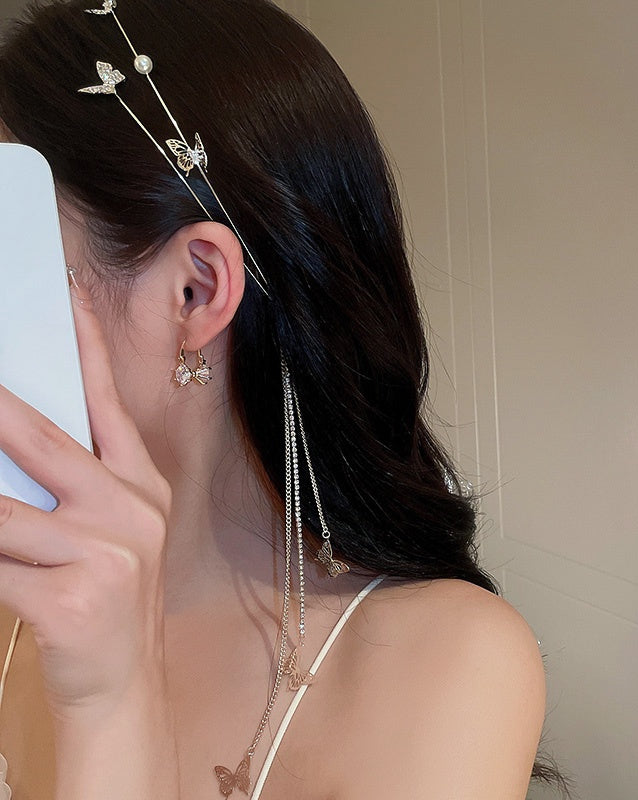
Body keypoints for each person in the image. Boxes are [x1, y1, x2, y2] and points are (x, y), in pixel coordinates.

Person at [0, 1, 550, 798]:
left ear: (196, 290)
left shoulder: (449, 665)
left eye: (11, 249)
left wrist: (110, 708)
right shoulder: (21, 578)